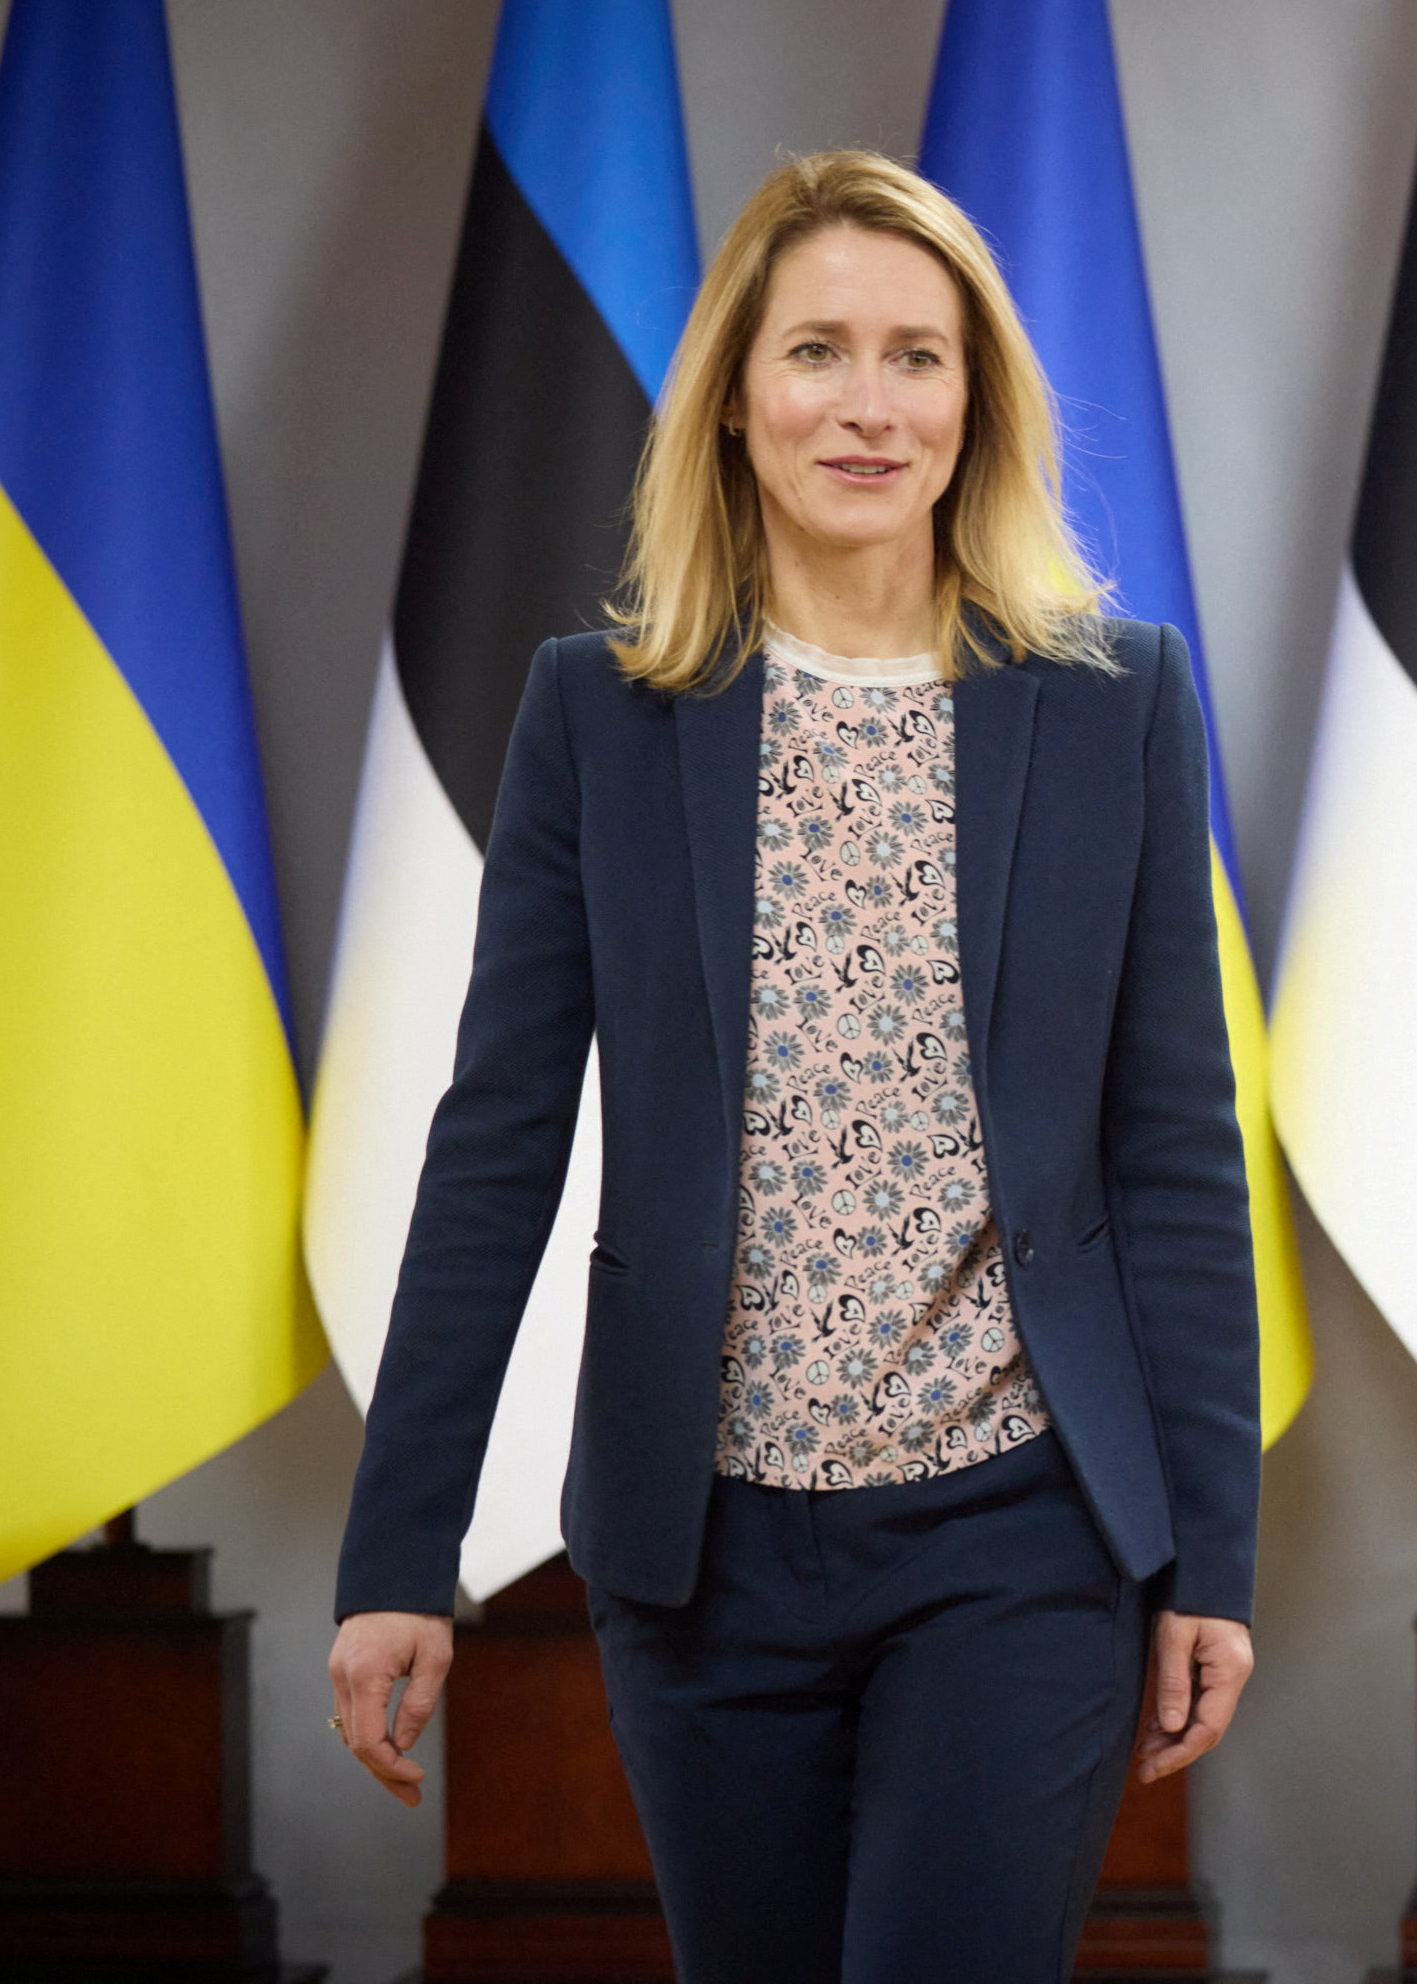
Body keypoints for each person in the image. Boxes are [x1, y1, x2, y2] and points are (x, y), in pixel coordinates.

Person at [326, 149, 1260, 1983]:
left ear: (975, 398)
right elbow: (496, 1144)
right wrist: (395, 1550)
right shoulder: (598, 715)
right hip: (699, 1549)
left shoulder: (1111, 699)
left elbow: (1176, 1158)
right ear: (737, 400)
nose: (867, 403)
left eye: (918, 354)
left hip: (1024, 1529)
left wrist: (1211, 1558)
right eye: (817, 349)